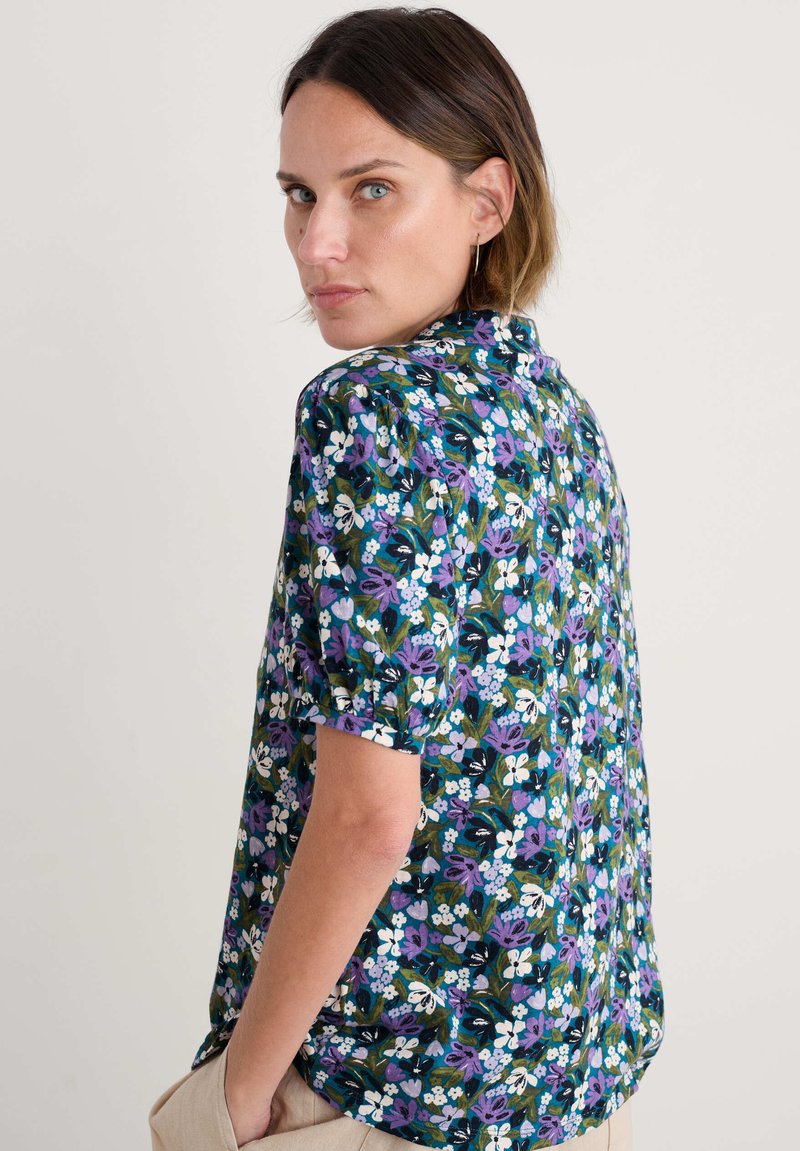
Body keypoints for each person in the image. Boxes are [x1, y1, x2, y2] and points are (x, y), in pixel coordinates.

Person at [148, 7, 665, 1150]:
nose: (316, 242)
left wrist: (239, 1089)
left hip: (391, 1087)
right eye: (298, 194)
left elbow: (368, 812)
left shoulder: (371, 412)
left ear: (487, 200)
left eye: (371, 189)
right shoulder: (546, 405)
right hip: (569, 1070)